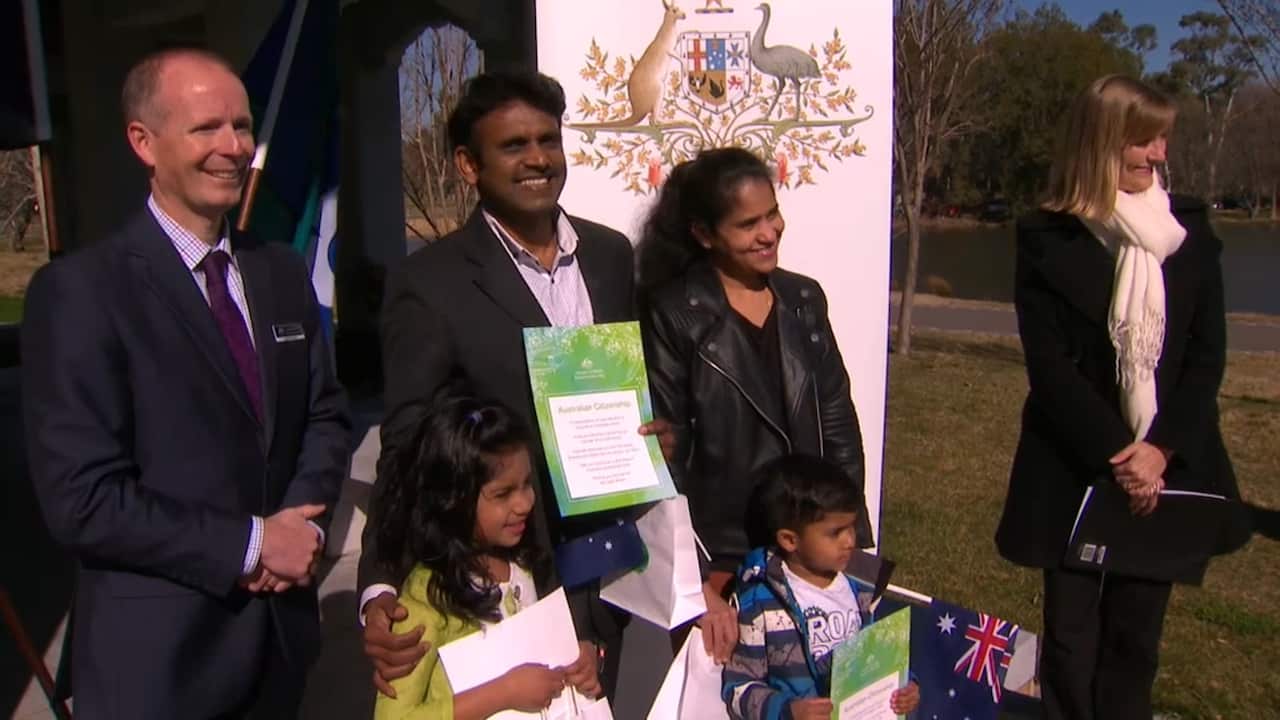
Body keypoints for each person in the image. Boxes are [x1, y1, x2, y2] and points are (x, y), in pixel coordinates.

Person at [21, 48, 350, 718]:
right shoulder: (82, 293)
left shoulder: (281, 273)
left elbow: (324, 417)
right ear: (143, 141)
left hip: (280, 651)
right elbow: (83, 499)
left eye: (242, 126)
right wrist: (252, 544)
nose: (233, 147)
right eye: (206, 128)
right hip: (161, 667)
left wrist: (304, 529)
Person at [359, 69, 672, 700]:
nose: (537, 159)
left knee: (603, 702)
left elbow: (629, 382)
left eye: (547, 140)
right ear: (469, 165)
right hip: (509, 572)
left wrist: (655, 430)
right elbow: (407, 442)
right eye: (513, 146)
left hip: (611, 558)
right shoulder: (431, 282)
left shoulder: (610, 255)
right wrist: (379, 583)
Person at [995, 75, 1250, 720]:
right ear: (1101, 142)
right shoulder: (1047, 235)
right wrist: (1119, 452)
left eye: (1162, 139)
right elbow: (1050, 369)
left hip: (1167, 465)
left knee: (1136, 638)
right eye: (1143, 141)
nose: (1159, 153)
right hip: (1076, 464)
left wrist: (1160, 450)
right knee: (1072, 639)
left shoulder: (1188, 228)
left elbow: (1204, 357)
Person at [639, 147, 871, 663]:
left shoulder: (805, 300)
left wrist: (851, 539)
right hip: (723, 561)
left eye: (772, 214)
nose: (768, 233)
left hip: (809, 554)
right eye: (748, 225)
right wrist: (694, 581)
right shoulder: (673, 313)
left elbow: (838, 425)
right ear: (704, 234)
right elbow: (663, 457)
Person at [371, 394, 599, 719]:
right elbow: (394, 717)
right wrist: (503, 693)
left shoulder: (522, 563)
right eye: (503, 494)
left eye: (526, 485)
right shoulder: (427, 598)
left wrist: (584, 657)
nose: (524, 503)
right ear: (453, 499)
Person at [722, 455, 919, 720]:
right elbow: (739, 685)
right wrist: (786, 711)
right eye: (835, 532)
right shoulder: (759, 602)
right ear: (790, 540)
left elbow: (881, 656)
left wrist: (905, 685)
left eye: (852, 527)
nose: (850, 541)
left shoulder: (862, 587)